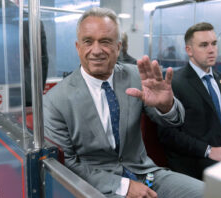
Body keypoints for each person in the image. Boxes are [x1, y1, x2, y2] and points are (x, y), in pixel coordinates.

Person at [43, 7, 203, 198]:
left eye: (105, 42)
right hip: (97, 186)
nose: (96, 50)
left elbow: (174, 121)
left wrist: (165, 106)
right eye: (88, 41)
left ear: (118, 47)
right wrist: (124, 186)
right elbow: (67, 164)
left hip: (147, 174)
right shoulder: (55, 101)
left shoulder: (137, 76)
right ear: (78, 47)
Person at [158, 22, 221, 180]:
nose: (211, 50)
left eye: (214, 43)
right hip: (192, 161)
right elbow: (168, 134)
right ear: (189, 50)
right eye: (204, 45)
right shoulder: (175, 83)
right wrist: (209, 150)